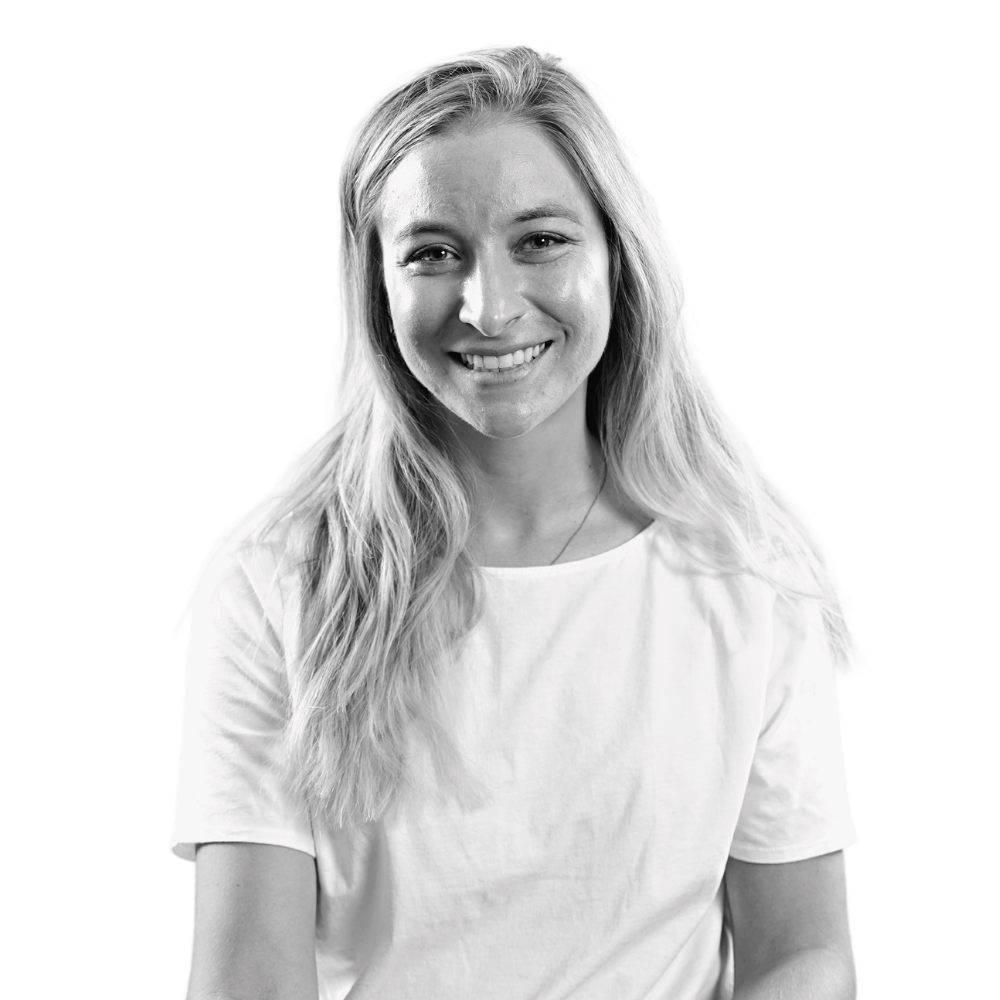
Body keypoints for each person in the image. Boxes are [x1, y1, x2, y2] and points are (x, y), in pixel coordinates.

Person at [173, 46, 857, 1000]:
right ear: (378, 286)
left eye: (540, 240)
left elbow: (803, 954)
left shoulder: (749, 576)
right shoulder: (278, 582)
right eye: (433, 252)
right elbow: (250, 979)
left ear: (619, 258)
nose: (489, 307)